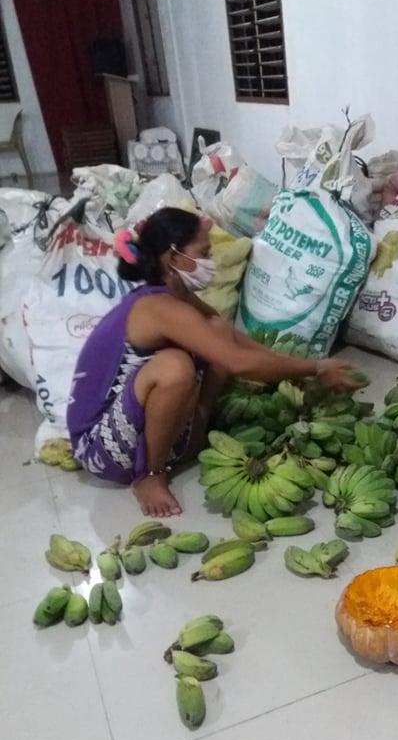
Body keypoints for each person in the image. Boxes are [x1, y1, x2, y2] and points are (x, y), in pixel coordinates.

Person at [67, 207, 361, 518]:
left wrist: (300, 367)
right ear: (174, 257)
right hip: (100, 445)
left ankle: (193, 437)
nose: (210, 262)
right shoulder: (156, 306)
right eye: (204, 253)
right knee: (175, 367)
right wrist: (314, 369)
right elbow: (237, 362)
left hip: (139, 423)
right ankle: (149, 475)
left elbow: (231, 341)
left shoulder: (178, 296)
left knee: (216, 331)